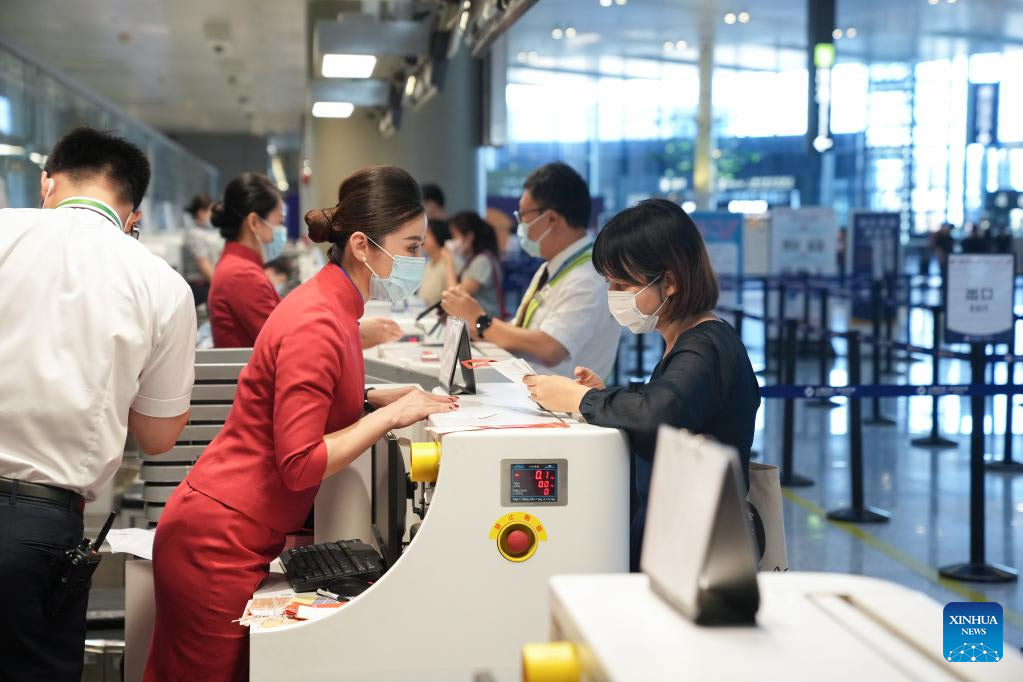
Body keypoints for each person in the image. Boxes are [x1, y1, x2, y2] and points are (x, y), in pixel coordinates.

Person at [145, 167, 457, 681]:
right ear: (362, 244)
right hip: (216, 542)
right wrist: (390, 419)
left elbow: (306, 402)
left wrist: (372, 399)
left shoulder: (332, 305)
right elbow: (299, 463)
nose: (417, 261)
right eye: (410, 246)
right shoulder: (319, 320)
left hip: (233, 529)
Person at [0, 127, 196, 680]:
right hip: (35, 529)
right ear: (134, 211)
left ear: (47, 182)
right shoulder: (159, 283)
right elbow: (158, 437)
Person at [523, 199, 760, 571]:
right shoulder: (682, 340)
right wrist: (604, 395)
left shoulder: (705, 346)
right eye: (609, 283)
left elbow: (661, 411)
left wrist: (584, 399)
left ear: (669, 282)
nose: (614, 295)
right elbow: (676, 409)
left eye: (624, 284)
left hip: (693, 550)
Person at [441, 162, 619, 378]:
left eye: (524, 215)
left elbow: (550, 348)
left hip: (563, 407)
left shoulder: (589, 275)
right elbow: (523, 330)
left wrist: (481, 320)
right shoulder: (552, 266)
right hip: (534, 394)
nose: (520, 224)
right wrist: (479, 330)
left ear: (551, 219)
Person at [207, 172, 284, 348]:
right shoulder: (242, 274)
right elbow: (282, 342)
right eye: (279, 221)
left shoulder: (238, 265)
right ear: (254, 222)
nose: (281, 230)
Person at [440, 211, 507, 319]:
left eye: (455, 236)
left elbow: (456, 296)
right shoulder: (473, 259)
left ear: (469, 237)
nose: (452, 241)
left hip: (488, 326)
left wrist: (449, 262)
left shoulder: (482, 261)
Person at [181, 193, 220, 306]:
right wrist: (220, 287)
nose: (212, 215)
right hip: (199, 287)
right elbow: (204, 265)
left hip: (207, 284)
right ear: (201, 212)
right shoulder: (193, 234)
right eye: (210, 211)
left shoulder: (204, 232)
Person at [419, 217, 451, 306]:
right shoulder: (429, 262)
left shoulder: (449, 263)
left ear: (438, 235)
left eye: (427, 234)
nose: (423, 238)